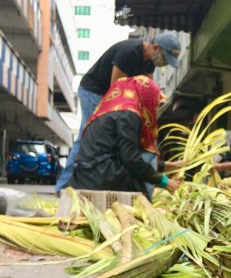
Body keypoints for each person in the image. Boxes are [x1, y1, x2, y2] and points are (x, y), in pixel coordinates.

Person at [56, 32, 182, 192]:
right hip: (95, 91)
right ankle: (64, 187)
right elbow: (116, 87)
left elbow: (148, 86)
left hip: (121, 99)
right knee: (85, 136)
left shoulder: (150, 61)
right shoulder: (129, 52)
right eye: (164, 59)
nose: (163, 64)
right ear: (156, 48)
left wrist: (156, 97)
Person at [68, 76, 180, 195]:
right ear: (146, 97)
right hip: (99, 178)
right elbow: (131, 160)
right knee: (140, 187)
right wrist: (164, 181)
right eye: (154, 103)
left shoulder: (112, 109)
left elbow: (121, 154)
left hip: (86, 176)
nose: (154, 109)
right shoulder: (128, 115)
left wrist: (164, 165)